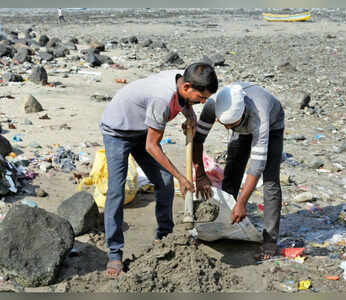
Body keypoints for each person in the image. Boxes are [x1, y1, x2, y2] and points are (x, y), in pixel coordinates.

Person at [99, 62, 218, 277]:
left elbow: (183, 102)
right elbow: (151, 146)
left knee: (164, 182)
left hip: (142, 129)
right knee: (117, 191)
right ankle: (115, 253)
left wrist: (188, 111)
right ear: (187, 87)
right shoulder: (162, 100)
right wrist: (181, 176)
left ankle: (164, 237)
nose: (202, 103)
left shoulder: (178, 78)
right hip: (117, 131)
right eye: (200, 98)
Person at [192, 83, 285, 260]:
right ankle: (226, 222)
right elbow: (197, 140)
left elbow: (257, 165)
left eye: (231, 124)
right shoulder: (213, 105)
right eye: (224, 124)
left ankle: (270, 240)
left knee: (271, 181)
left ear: (243, 114)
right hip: (242, 125)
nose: (227, 129)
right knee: (233, 165)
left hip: (273, 125)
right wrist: (200, 174)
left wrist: (242, 202)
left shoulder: (260, 116)